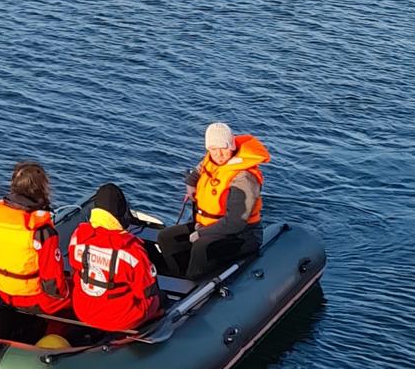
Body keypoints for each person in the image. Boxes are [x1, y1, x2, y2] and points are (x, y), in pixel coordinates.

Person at [156, 122, 271, 280]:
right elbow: (199, 170)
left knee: (201, 248)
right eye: (213, 148)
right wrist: (191, 184)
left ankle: (195, 284)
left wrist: (201, 233)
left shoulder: (243, 178)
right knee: (166, 237)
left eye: (223, 148)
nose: (218, 153)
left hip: (241, 234)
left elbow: (235, 223)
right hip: (208, 225)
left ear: (231, 146)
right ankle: (179, 276)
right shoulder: (212, 160)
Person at [0, 161, 71, 315]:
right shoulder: (42, 231)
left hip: (3, 290)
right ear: (42, 189)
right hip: (33, 297)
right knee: (76, 294)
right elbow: (53, 285)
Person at [67, 183, 162, 332]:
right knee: (157, 298)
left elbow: (74, 267)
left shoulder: (78, 236)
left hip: (83, 311)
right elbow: (146, 290)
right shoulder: (132, 251)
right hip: (120, 319)